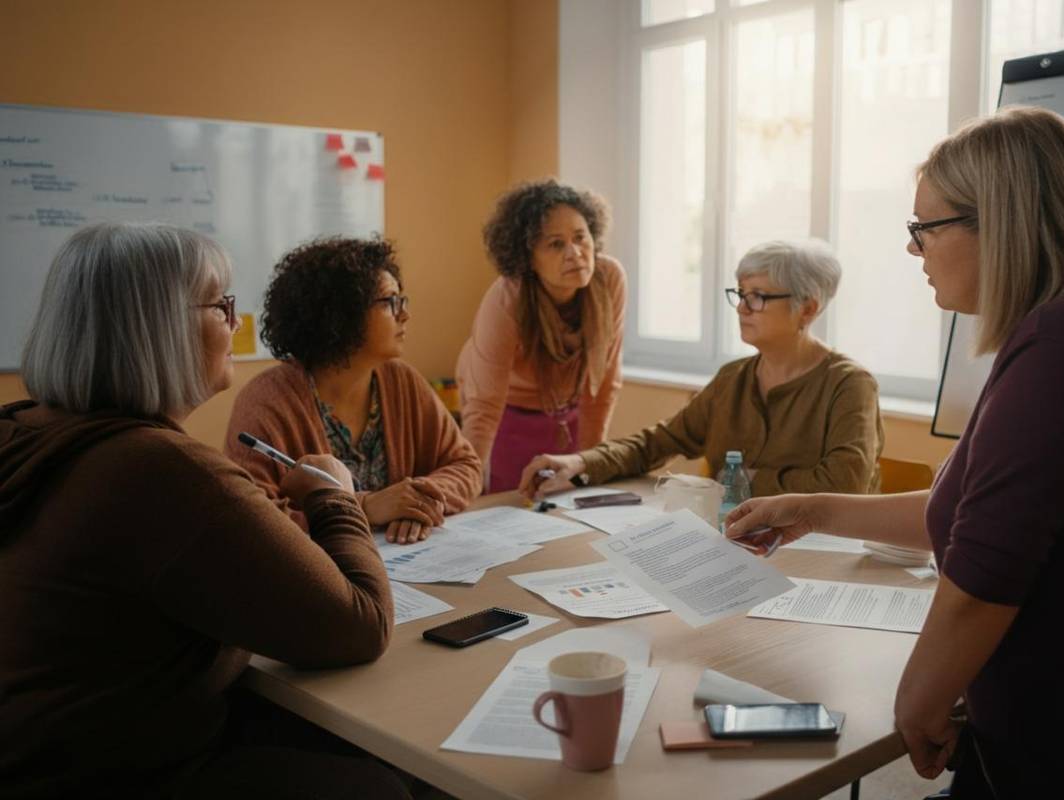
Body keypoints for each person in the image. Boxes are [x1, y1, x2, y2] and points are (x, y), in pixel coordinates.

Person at [725, 107, 1064, 797]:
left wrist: (919, 699)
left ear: (1001, 223)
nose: (912, 249)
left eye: (925, 228)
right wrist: (813, 510)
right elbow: (973, 512)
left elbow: (988, 568)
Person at [0, 223, 406, 798]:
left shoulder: (26, 431)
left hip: (43, 755)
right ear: (159, 328)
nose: (236, 324)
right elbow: (361, 626)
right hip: (115, 775)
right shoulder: (155, 469)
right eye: (222, 306)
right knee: (383, 785)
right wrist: (335, 496)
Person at [519, 240, 882, 499]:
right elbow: (656, 443)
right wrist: (580, 462)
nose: (742, 308)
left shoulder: (850, 384)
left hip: (819, 552)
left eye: (758, 296)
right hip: (739, 541)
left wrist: (741, 481)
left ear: (808, 309)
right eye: (740, 293)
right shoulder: (732, 378)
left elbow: (843, 484)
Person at [226, 237, 482, 544]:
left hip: (404, 564)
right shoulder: (266, 402)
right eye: (389, 302)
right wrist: (366, 507)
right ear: (341, 314)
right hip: (320, 571)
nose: (404, 314)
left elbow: (466, 466)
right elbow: (249, 520)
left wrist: (415, 501)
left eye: (402, 301)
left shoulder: (403, 381)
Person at [456, 179, 626, 492]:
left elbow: (602, 385)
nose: (575, 253)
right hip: (507, 414)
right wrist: (467, 490)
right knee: (507, 504)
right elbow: (483, 406)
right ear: (528, 258)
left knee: (567, 499)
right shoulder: (507, 298)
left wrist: (590, 466)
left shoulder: (610, 279)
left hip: (567, 413)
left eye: (580, 237)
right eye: (556, 244)